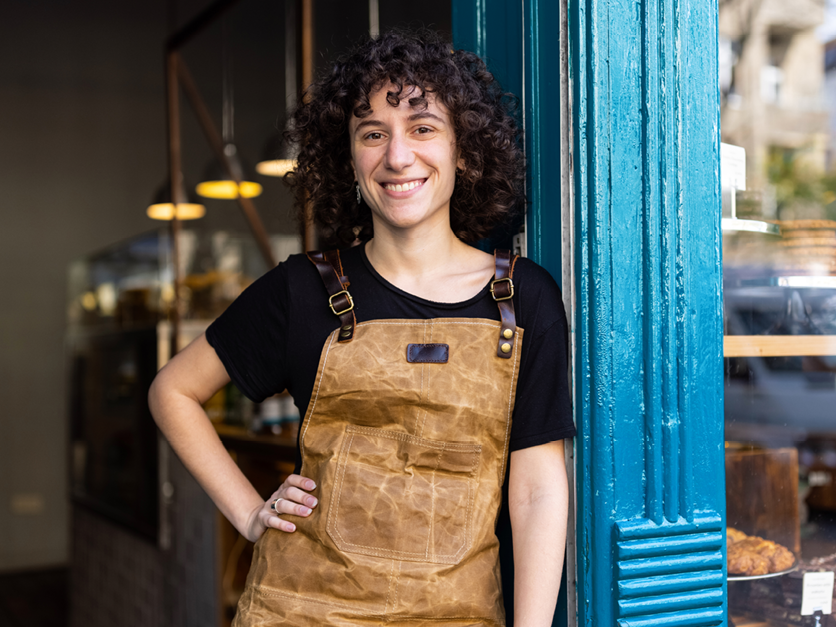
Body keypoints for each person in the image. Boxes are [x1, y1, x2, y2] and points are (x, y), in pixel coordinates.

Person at [149, 31, 573, 626]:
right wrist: (248, 512)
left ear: (465, 151)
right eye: (373, 134)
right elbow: (172, 391)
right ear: (348, 159)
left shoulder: (523, 297)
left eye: (423, 127)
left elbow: (536, 490)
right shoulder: (301, 289)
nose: (397, 156)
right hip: (299, 610)